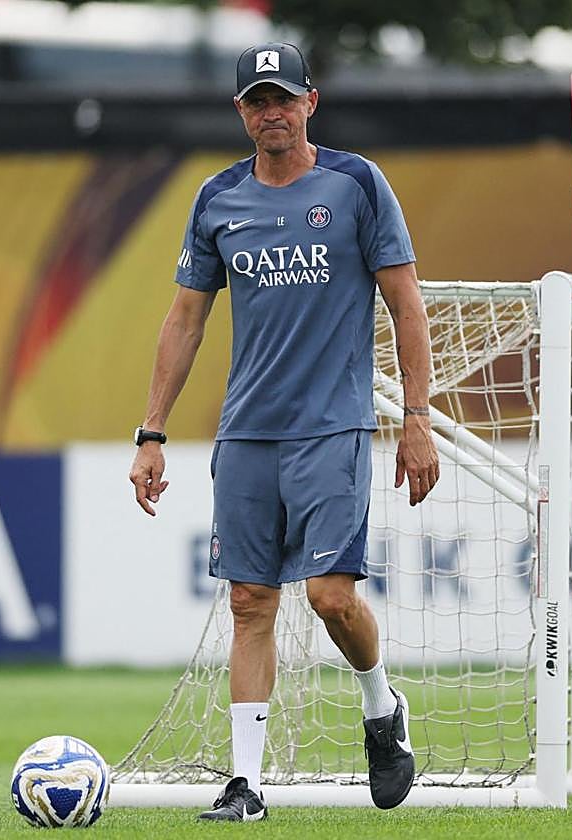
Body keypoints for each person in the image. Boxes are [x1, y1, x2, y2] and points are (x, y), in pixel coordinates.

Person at [128, 41, 440, 822]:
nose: (271, 111)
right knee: (248, 604)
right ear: (240, 111)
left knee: (332, 597)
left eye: (283, 97)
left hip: (332, 428)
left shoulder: (357, 184)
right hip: (246, 436)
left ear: (310, 103)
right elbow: (185, 318)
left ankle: (380, 706)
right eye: (256, 100)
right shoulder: (216, 199)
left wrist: (417, 420)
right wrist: (151, 432)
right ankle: (246, 785)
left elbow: (406, 305)